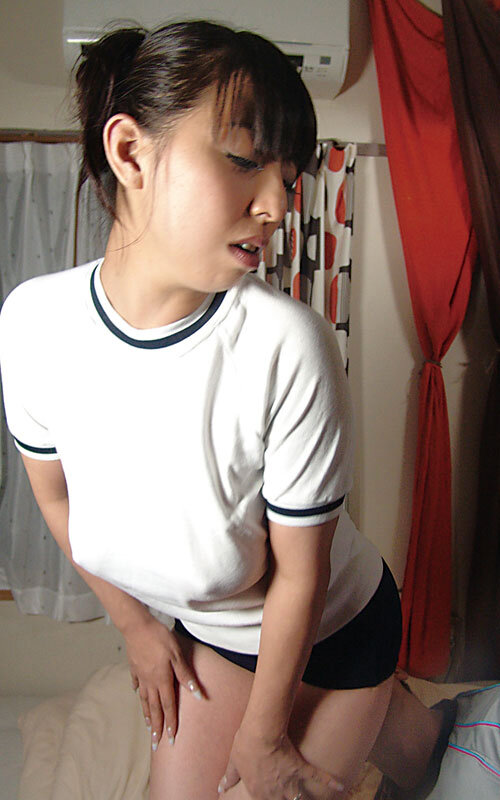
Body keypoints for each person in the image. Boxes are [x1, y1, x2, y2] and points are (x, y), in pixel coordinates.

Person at [0, 20, 442, 800]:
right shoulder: (34, 322)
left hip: (337, 628)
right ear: (130, 152)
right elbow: (57, 499)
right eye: (243, 160)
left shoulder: (287, 345)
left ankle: (409, 721)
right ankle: (400, 722)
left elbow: (300, 576)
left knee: (413, 766)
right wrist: (138, 629)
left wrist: (264, 738)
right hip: (213, 634)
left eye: (288, 178)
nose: (275, 205)